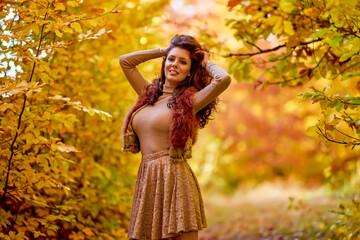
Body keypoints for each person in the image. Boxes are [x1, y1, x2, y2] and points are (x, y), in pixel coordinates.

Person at [119, 34, 231, 240]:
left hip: (175, 178)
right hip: (147, 178)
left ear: (190, 70)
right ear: (164, 63)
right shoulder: (147, 93)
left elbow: (223, 79)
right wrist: (164, 50)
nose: (175, 65)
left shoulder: (191, 101)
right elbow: (125, 62)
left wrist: (205, 62)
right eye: (171, 60)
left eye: (183, 62)